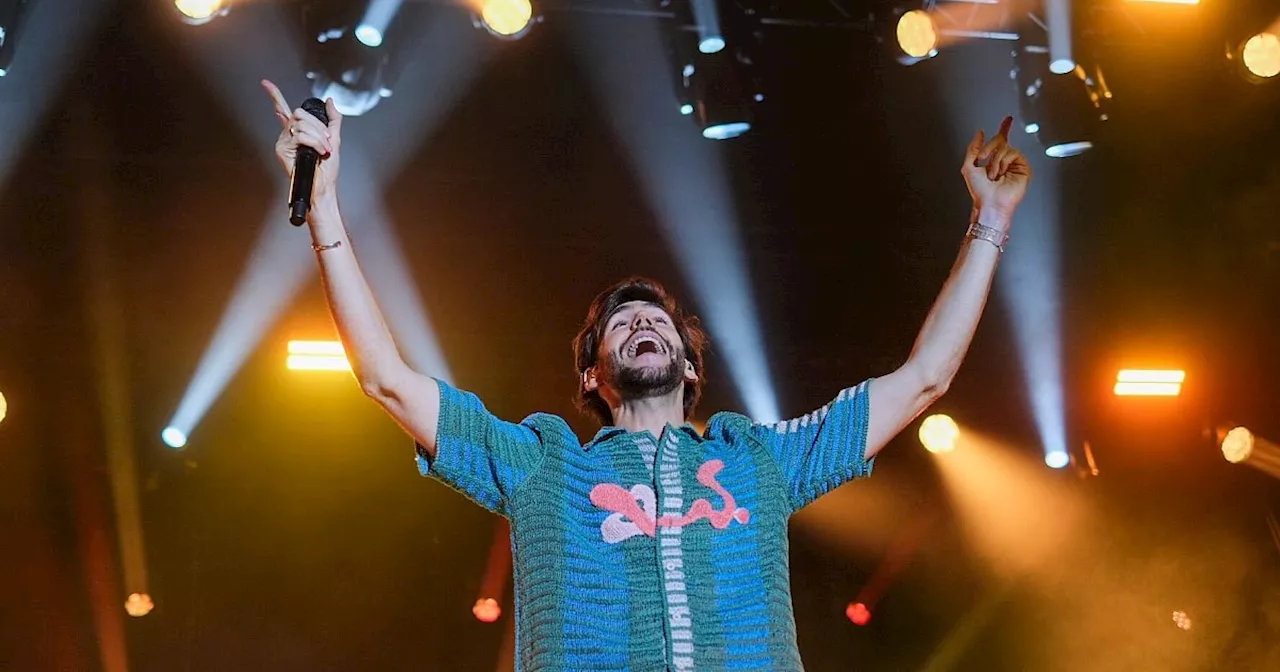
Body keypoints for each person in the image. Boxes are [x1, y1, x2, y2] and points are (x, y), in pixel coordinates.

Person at [260, 79, 1031, 671]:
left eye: (656, 319)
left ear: (690, 368)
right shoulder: (541, 465)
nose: (641, 323)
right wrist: (324, 209)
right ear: (594, 377)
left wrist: (989, 223)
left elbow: (926, 377)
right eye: (620, 325)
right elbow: (387, 379)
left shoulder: (757, 461)